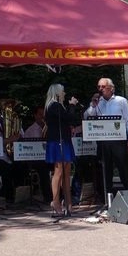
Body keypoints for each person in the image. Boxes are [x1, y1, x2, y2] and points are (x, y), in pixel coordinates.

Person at [95, 77, 128, 197]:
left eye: (103, 86)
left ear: (111, 88)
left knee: (123, 168)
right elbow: (88, 116)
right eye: (99, 87)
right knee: (105, 170)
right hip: (103, 141)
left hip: (118, 140)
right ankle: (106, 199)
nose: (101, 89)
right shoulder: (97, 102)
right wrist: (93, 105)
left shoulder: (121, 101)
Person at [44, 83, 79, 217]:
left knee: (66, 172)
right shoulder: (54, 105)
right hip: (58, 142)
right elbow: (69, 117)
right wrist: (72, 105)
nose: (65, 94)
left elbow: (66, 121)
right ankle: (56, 202)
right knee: (58, 171)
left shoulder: (56, 106)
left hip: (63, 140)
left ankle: (69, 205)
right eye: (63, 92)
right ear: (58, 93)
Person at [22, 106, 52, 204]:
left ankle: (59, 195)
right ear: (35, 116)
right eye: (40, 114)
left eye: (44, 114)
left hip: (46, 157)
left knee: (60, 165)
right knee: (43, 168)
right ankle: (48, 197)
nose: (43, 117)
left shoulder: (49, 128)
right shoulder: (31, 130)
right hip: (33, 158)